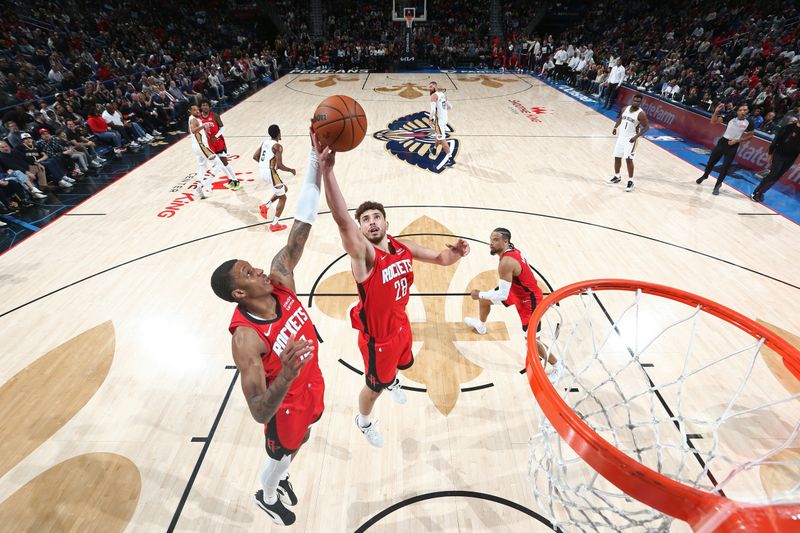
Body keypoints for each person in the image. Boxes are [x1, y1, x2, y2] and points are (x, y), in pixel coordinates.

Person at [209, 127, 329, 527]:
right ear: (239, 294)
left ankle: (281, 474)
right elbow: (260, 411)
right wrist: (288, 374)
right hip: (284, 403)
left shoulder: (280, 277)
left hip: (311, 383)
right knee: (279, 452)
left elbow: (301, 226)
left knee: (304, 438)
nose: (259, 269)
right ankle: (266, 493)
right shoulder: (246, 339)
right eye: (248, 272)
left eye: (252, 265)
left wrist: (317, 163)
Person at [321, 166, 470, 448]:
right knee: (373, 388)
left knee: (403, 365)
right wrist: (328, 172)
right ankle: (363, 421)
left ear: (387, 223)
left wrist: (456, 252)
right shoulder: (364, 256)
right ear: (361, 229)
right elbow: (342, 221)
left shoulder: (403, 248)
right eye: (365, 220)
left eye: (377, 217)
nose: (372, 222)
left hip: (402, 326)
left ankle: (392, 381)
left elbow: (440, 258)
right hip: (378, 340)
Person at [464, 228, 561, 378]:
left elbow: (502, 295)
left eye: (495, 240)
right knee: (485, 301)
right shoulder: (510, 250)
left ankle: (558, 366)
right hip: (515, 291)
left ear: (505, 241)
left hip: (529, 300)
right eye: (491, 239)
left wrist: (479, 294)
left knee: (533, 341)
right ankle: (481, 327)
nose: (491, 243)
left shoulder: (506, 262)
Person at [696, 104, 755, 195]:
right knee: (711, 162)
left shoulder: (749, 122)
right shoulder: (731, 116)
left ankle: (717, 185)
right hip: (723, 142)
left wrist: (738, 140)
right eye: (741, 110)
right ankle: (705, 175)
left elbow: (751, 136)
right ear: (738, 111)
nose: (743, 111)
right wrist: (716, 112)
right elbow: (713, 122)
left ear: (747, 111)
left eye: (745, 110)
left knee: (725, 167)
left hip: (733, 145)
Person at [254, 124, 295, 232]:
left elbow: (255, 156)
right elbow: (280, 166)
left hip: (262, 171)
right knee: (283, 198)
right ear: (278, 133)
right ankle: (274, 224)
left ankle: (265, 206)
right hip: (270, 173)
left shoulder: (264, 143)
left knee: (283, 189)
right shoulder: (277, 146)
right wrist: (291, 170)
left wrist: (264, 165)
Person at [751, 118, 800, 202]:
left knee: (777, 176)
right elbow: (776, 140)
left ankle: (762, 192)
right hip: (779, 154)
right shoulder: (788, 128)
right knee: (773, 173)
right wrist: (770, 153)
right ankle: (756, 192)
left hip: (791, 158)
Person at [609, 93, 650, 192]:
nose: (636, 102)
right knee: (617, 156)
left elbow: (647, 127)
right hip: (621, 137)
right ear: (632, 100)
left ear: (641, 102)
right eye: (635, 100)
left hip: (631, 139)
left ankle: (631, 181)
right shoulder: (625, 109)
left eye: (638, 101)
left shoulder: (641, 114)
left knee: (628, 159)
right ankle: (617, 176)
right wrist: (615, 127)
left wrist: (636, 137)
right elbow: (621, 118)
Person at [199, 100, 240, 190]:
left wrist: (216, 136)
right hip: (209, 143)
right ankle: (231, 180)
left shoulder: (214, 116)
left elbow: (222, 127)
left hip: (218, 141)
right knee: (219, 164)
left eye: (206, 105)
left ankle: (236, 181)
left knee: (224, 161)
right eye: (203, 105)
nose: (205, 107)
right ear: (201, 107)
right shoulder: (199, 118)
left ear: (209, 107)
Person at [426, 81, 455, 168]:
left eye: (431, 87)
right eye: (429, 88)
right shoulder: (442, 94)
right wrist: (443, 111)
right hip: (445, 119)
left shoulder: (434, 95)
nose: (430, 89)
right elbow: (450, 106)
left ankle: (451, 159)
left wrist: (430, 119)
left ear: (434, 86)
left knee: (442, 139)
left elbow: (433, 110)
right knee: (439, 135)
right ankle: (434, 149)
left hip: (439, 121)